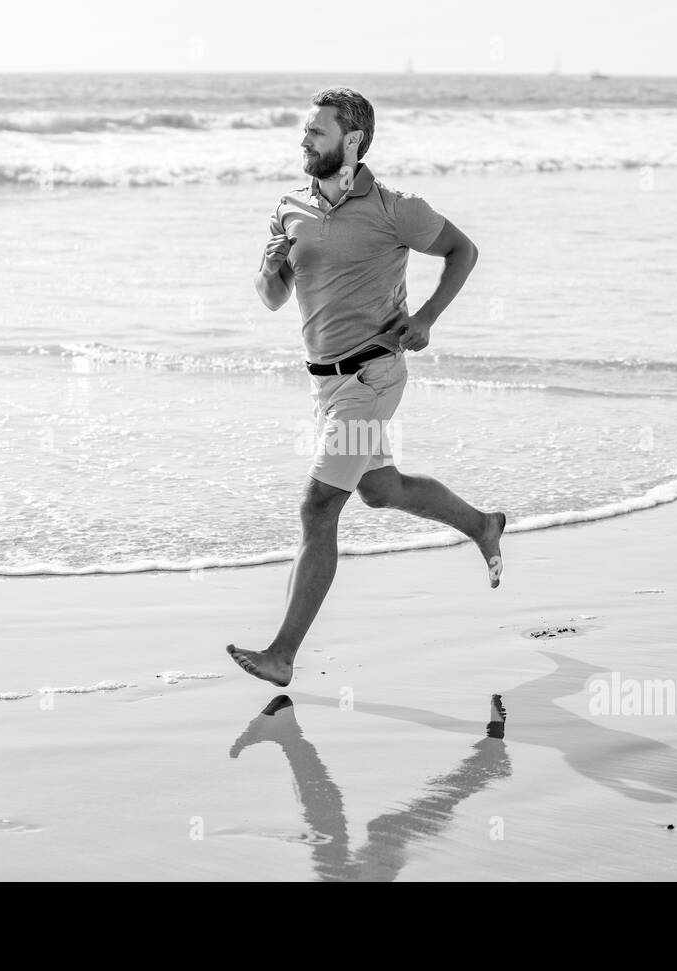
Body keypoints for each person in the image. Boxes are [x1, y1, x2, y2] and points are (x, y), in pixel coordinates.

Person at [226, 87, 505, 687]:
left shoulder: (392, 208)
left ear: (352, 141)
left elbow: (463, 249)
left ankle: (282, 655)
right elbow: (272, 298)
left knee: (319, 505)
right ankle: (483, 525)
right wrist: (269, 270)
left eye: (316, 132)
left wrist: (426, 317)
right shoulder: (289, 206)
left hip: (372, 372)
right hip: (323, 382)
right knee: (381, 489)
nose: (304, 140)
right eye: (305, 130)